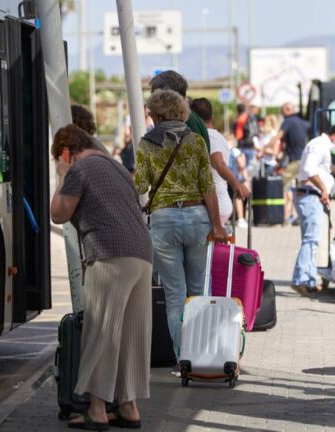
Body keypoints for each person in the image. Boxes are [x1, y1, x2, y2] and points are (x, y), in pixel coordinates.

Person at [50, 123, 153, 430]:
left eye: (59, 159)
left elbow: (58, 213)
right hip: (142, 254)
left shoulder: (79, 169)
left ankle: (96, 411)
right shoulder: (118, 168)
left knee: (102, 332)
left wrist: (62, 174)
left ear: (66, 152)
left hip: (109, 255)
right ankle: (129, 407)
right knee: (131, 335)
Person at [134, 89, 226, 366]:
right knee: (197, 290)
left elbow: (141, 186)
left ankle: (182, 360)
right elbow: (207, 186)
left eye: (151, 113)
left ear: (158, 114)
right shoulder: (195, 140)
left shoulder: (147, 143)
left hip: (164, 218)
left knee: (174, 295)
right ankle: (200, 357)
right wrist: (217, 225)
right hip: (197, 216)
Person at [291, 122, 335, 294]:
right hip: (310, 195)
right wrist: (324, 189)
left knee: (310, 240)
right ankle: (300, 279)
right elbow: (309, 169)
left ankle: (309, 281)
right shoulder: (319, 145)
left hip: (310, 196)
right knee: (311, 240)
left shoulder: (320, 145)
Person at [189, 98, 250, 225]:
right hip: (216, 202)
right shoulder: (216, 136)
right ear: (211, 116)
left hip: (215, 204)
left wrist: (236, 185)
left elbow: (219, 163)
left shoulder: (209, 137)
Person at [268, 102, 311, 225]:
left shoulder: (288, 121)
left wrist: (264, 148)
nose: (281, 114)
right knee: (299, 189)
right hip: (304, 161)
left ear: (287, 110)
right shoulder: (303, 122)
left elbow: (278, 136)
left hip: (294, 161)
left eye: (282, 111)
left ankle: (283, 217)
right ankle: (296, 215)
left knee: (282, 186)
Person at [148, 70, 210, 152]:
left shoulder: (184, 123)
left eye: (155, 95)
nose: (152, 99)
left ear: (168, 96)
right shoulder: (190, 118)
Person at [234, 104, 259, 177]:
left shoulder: (240, 119)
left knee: (243, 171)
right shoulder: (251, 118)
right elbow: (255, 132)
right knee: (250, 170)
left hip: (243, 146)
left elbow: (238, 135)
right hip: (251, 146)